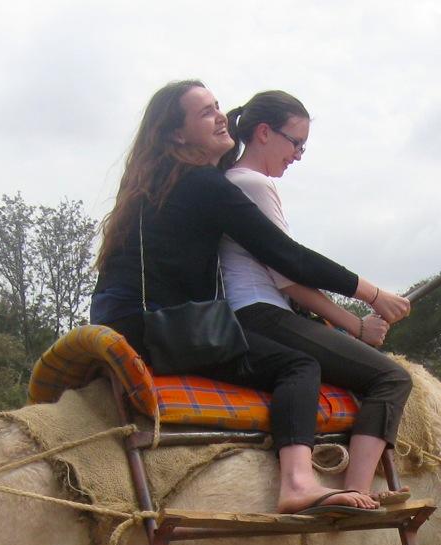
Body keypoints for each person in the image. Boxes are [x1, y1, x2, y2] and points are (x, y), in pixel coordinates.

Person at [90, 80, 411, 514]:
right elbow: (286, 258)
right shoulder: (204, 184)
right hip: (164, 330)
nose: (221, 115)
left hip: (123, 322)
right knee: (298, 365)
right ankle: (298, 483)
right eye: (205, 112)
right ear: (177, 135)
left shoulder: (154, 188)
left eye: (217, 106)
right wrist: (370, 294)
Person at [215, 90, 414, 510]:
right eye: (296, 143)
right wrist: (358, 324)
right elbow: (289, 275)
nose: (299, 155)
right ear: (265, 133)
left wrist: (349, 324)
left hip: (254, 313)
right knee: (392, 379)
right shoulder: (252, 184)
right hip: (261, 313)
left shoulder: (231, 182)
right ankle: (356, 488)